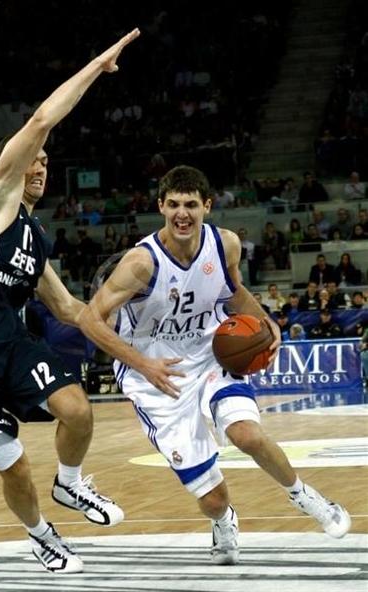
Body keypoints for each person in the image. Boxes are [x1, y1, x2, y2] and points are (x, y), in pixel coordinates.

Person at [0, 28, 141, 575]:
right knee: (13, 464)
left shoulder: (34, 238)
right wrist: (96, 66)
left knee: (78, 409)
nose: (39, 165)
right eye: (32, 160)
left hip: (9, 346)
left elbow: (70, 310)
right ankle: (42, 534)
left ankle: (70, 486)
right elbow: (42, 120)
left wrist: (140, 357)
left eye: (46, 162)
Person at [78, 165, 351, 566]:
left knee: (247, 434)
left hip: (209, 351)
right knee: (212, 498)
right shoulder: (141, 263)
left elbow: (233, 291)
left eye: (191, 204)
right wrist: (144, 365)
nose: (182, 214)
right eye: (173, 205)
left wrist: (265, 321)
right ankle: (224, 519)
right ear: (161, 207)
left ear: (207, 205)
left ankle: (305, 496)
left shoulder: (225, 245)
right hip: (156, 375)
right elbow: (89, 318)